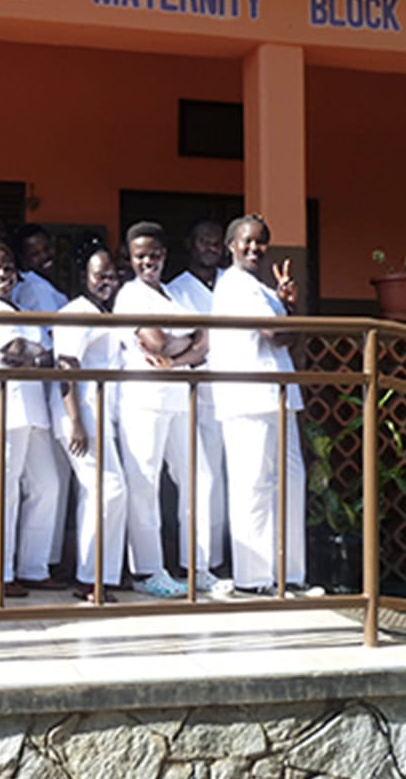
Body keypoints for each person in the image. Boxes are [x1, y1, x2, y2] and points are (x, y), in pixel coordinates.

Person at [210, 214, 318, 596]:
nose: (254, 248)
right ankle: (253, 578)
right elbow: (276, 335)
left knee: (290, 482)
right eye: (247, 242)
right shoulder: (235, 286)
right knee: (253, 486)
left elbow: (286, 334)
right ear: (231, 245)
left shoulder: (263, 290)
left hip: (279, 397)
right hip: (248, 398)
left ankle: (289, 575)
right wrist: (294, 317)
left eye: (261, 243)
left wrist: (288, 305)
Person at [113, 221, 220, 598]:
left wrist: (177, 357)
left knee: (199, 479)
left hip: (177, 395)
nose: (149, 261)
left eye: (155, 254)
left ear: (164, 255)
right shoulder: (129, 295)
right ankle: (147, 571)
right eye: (141, 255)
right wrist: (183, 341)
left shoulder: (173, 296)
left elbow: (204, 340)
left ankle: (198, 566)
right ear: (130, 258)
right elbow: (155, 342)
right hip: (143, 400)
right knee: (144, 485)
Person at [0, 240, 62, 597]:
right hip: (1, 412)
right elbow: (13, 353)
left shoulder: (21, 308)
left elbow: (44, 354)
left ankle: (33, 568)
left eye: (7, 267)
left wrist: (34, 354)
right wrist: (37, 353)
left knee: (47, 487)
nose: (2, 274)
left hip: (32, 411)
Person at [53, 242, 126, 603]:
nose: (106, 282)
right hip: (81, 416)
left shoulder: (106, 313)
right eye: (100, 275)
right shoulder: (76, 312)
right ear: (85, 277)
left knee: (105, 494)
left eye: (112, 276)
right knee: (108, 491)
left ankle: (101, 576)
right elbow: (66, 367)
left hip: (101, 416)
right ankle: (91, 578)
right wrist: (75, 422)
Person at [166, 219, 230, 583]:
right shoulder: (175, 290)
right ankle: (199, 561)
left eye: (216, 242)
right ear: (189, 243)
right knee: (203, 480)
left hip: (236, 390)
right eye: (203, 241)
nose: (210, 247)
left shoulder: (232, 283)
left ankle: (222, 558)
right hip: (197, 393)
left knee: (230, 480)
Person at [11, 224, 75, 572]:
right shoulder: (33, 290)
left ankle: (40, 563)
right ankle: (40, 561)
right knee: (47, 484)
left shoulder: (45, 287)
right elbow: (46, 343)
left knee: (51, 484)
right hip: (48, 391)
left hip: (48, 394)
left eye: (46, 250)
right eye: (34, 253)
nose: (43, 257)